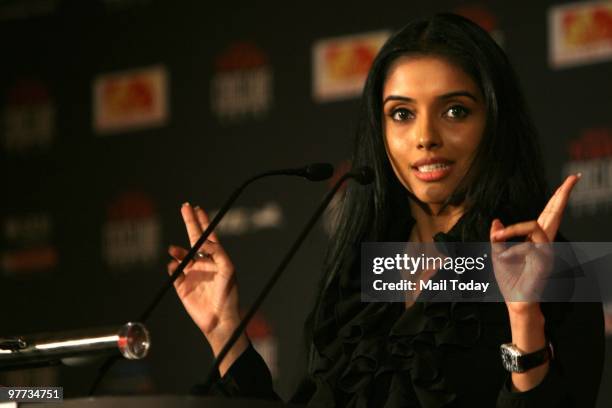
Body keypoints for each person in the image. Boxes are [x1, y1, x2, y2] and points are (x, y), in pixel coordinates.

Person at [167, 13, 604, 407]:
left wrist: (525, 319)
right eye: (401, 114)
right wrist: (225, 330)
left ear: (494, 121)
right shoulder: (364, 273)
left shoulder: (553, 266)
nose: (425, 137)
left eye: (455, 110)